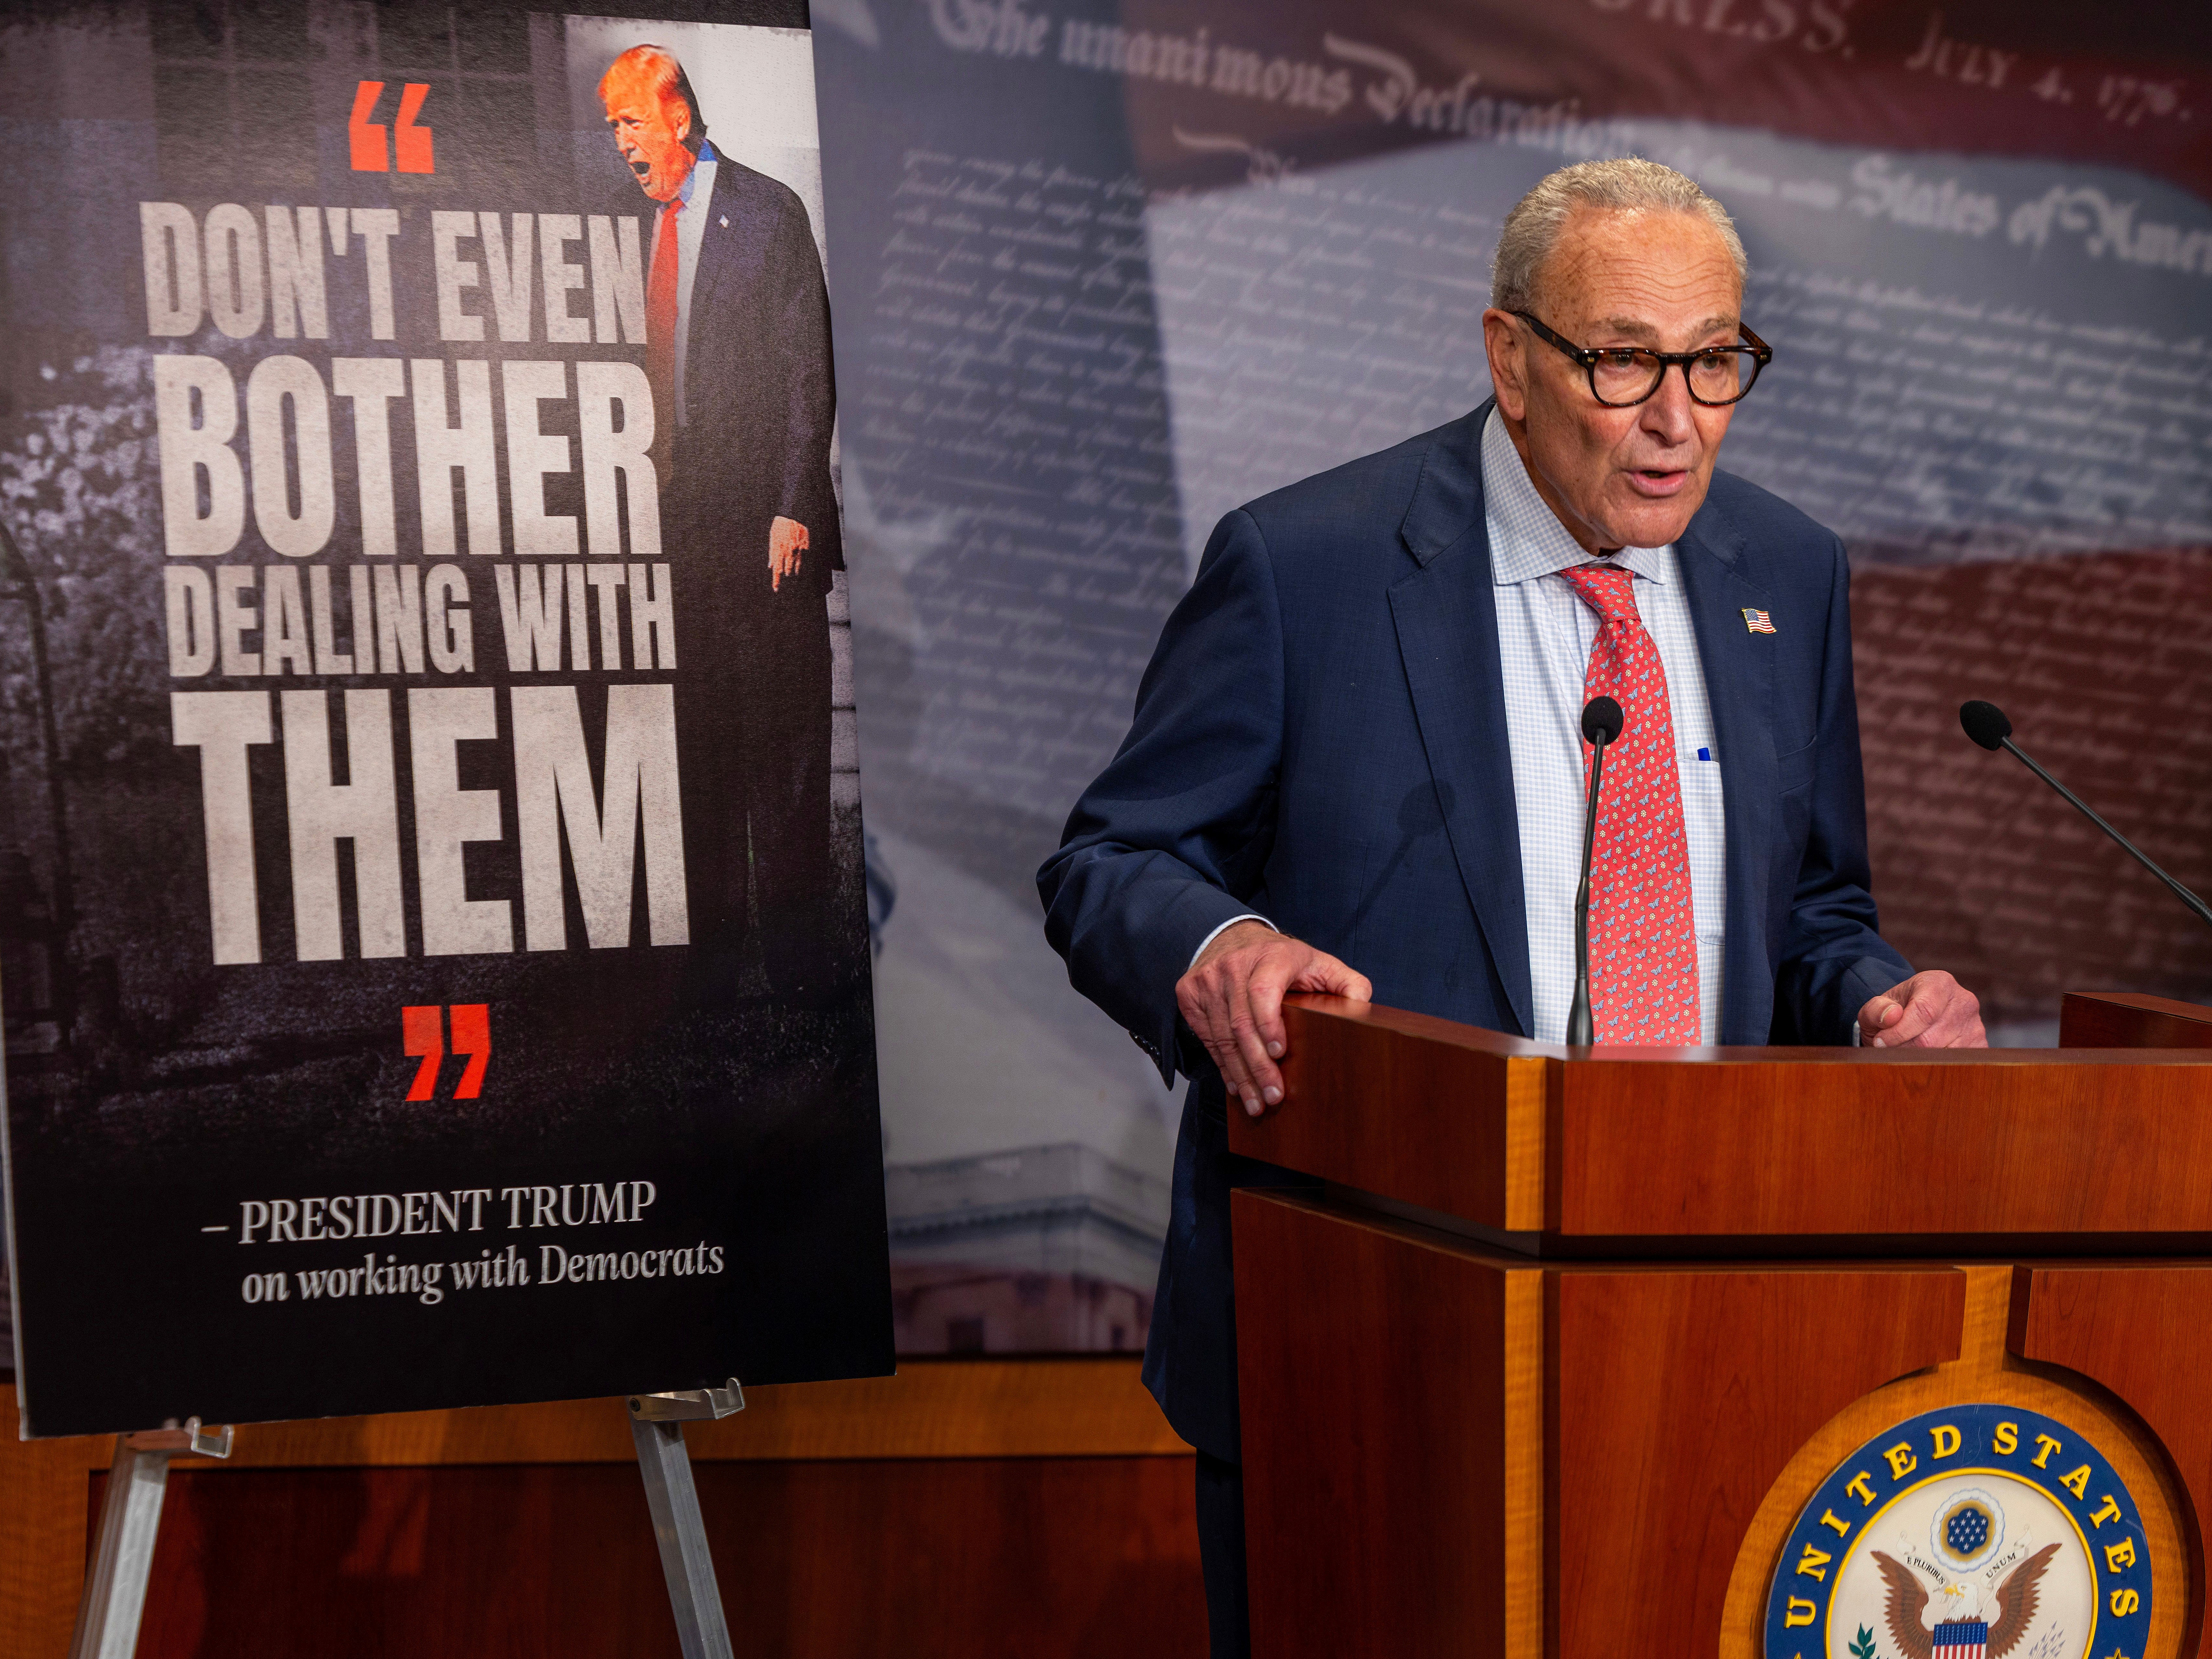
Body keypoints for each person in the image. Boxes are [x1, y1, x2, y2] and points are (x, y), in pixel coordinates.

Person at [1036, 157, 1986, 1655]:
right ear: (1512, 355)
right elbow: (1110, 861)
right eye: (1625, 360)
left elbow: (1806, 908)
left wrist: (1872, 990)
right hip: (1370, 1337)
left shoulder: (1784, 573)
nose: (1680, 417)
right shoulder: (1311, 567)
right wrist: (1221, 945)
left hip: (1699, 1323)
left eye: (1717, 360)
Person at [599, 45, 842, 997]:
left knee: (782, 748)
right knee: (698, 749)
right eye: (612, 126)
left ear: (680, 121)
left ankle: (796, 968)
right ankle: (709, 968)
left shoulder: (770, 211)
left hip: (765, 531)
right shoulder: (626, 228)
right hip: (678, 536)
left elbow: (806, 371)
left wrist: (796, 504)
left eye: (629, 122)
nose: (619, 143)